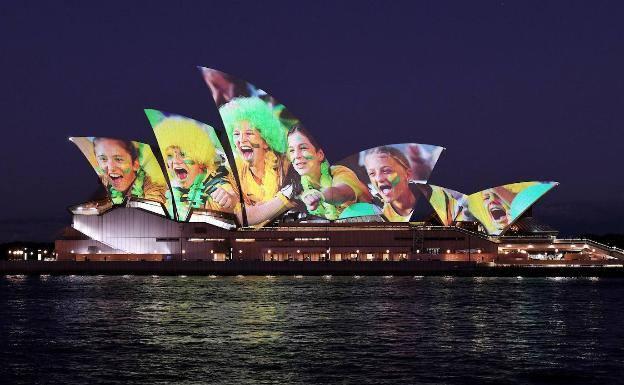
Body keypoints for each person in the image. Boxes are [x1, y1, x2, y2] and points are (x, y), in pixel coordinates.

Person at [219, 96, 294, 225]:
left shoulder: (286, 167)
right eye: (236, 134)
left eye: (249, 133)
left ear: (265, 141)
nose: (241, 140)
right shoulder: (232, 171)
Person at [153, 118, 240, 221]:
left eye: (183, 154)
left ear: (200, 158)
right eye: (170, 155)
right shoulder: (173, 191)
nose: (176, 161)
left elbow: (230, 195)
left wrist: (230, 199)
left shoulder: (216, 178)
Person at [287, 125, 372, 220]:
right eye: (291, 150)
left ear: (320, 154)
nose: (296, 155)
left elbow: (341, 193)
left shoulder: (340, 172)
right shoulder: (297, 187)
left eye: (303, 148)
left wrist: (321, 196)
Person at [363, 146, 431, 222]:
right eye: (372, 173)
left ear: (407, 175)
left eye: (386, 171)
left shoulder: (434, 199)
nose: (379, 179)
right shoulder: (373, 211)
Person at [93, 137, 166, 205]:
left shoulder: (153, 185)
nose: (110, 168)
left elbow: (153, 205)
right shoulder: (100, 183)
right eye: (103, 159)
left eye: (118, 159)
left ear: (135, 164)